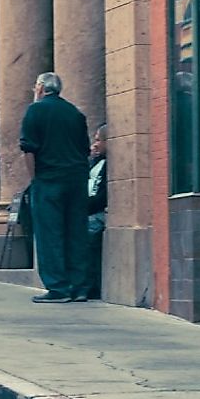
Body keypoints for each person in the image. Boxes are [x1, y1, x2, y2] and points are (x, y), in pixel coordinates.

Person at [19, 71, 92, 302]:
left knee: (50, 234)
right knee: (76, 233)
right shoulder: (75, 113)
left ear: (41, 88)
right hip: (77, 179)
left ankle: (58, 288)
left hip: (49, 179)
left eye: (35, 87)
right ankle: (80, 287)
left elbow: (28, 149)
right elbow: (85, 149)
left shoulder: (35, 110)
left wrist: (34, 179)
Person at [81, 127, 108, 303]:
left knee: (86, 231)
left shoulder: (110, 165)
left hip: (99, 213)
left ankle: (87, 285)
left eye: (99, 140)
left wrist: (83, 208)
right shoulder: (96, 162)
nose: (94, 144)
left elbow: (103, 196)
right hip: (90, 210)